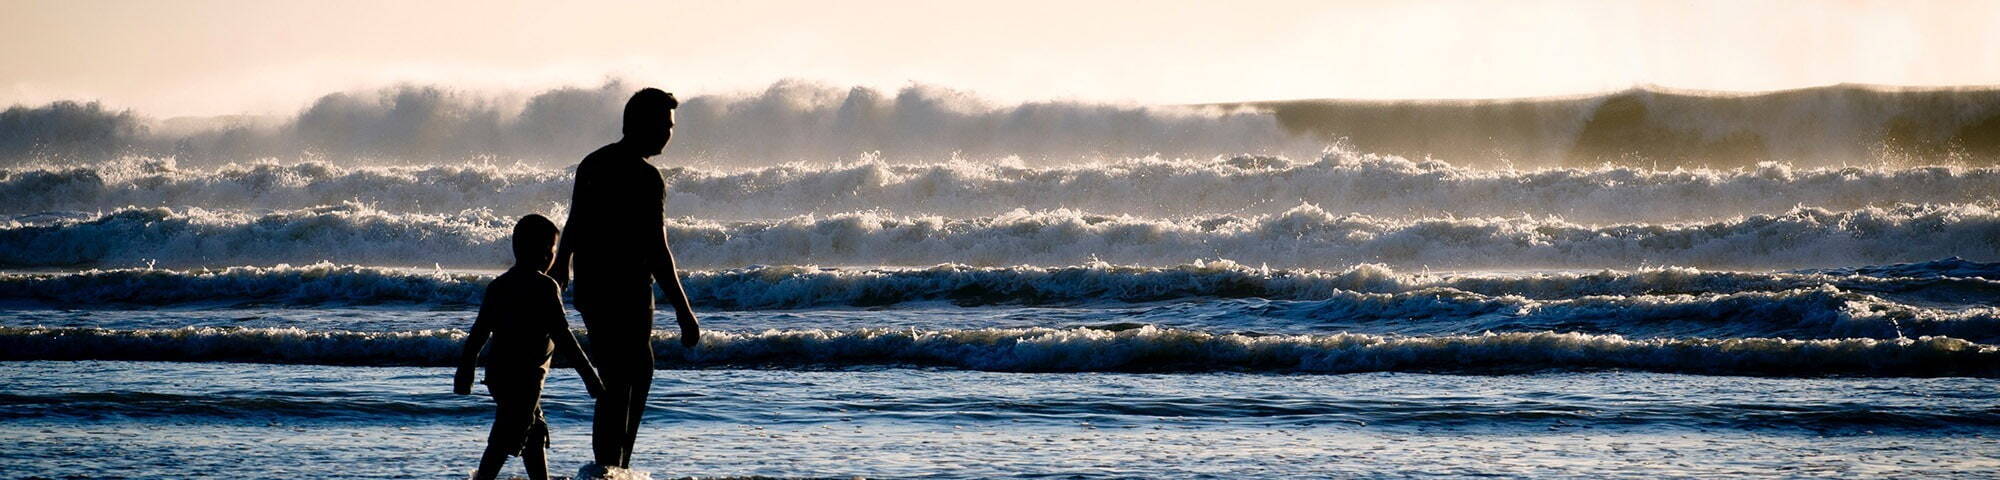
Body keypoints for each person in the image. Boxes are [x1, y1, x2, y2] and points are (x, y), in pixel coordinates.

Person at [550, 87, 702, 470]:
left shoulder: (593, 163)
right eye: (664, 125)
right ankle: (611, 467)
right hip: (627, 290)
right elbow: (657, 250)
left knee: (628, 374)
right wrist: (685, 313)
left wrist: (562, 265)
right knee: (624, 379)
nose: (669, 134)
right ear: (642, 123)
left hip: (593, 288)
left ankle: (615, 466)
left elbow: (574, 223)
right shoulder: (646, 178)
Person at [456, 214, 605, 480]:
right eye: (551, 252)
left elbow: (478, 333)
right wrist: (590, 377)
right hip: (526, 378)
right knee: (506, 435)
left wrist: (465, 369)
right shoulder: (545, 287)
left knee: (533, 432)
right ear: (541, 253)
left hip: (499, 375)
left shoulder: (499, 285)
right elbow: (564, 336)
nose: (553, 258)